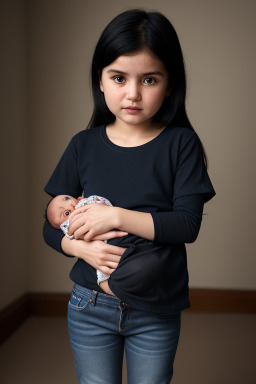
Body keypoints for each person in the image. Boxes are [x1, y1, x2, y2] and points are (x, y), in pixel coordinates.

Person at [43, 9, 215, 384]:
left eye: (149, 79)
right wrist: (79, 249)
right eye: (119, 78)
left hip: (156, 309)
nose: (133, 93)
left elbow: (186, 225)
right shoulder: (83, 145)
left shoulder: (180, 144)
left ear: (169, 84)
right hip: (88, 304)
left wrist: (115, 216)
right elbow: (51, 224)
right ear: (101, 81)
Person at [45, 194, 117, 286]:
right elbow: (58, 233)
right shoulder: (72, 228)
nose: (69, 205)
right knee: (102, 275)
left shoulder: (87, 202)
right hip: (101, 255)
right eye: (66, 213)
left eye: (66, 199)